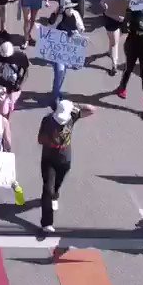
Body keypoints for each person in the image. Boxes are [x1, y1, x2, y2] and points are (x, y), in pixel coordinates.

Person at [37, 99, 97, 233]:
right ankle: (47, 222)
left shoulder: (73, 116)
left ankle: (55, 194)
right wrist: (52, 140)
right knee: (47, 188)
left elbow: (92, 110)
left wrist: (75, 105)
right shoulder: (47, 120)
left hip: (65, 160)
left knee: (56, 185)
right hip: (49, 159)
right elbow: (40, 139)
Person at [115, 7, 143, 119]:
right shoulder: (132, 10)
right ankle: (122, 87)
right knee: (129, 68)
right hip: (132, 45)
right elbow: (125, 28)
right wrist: (127, 20)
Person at [0, 42, 27, 118]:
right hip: (1, 86)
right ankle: (4, 122)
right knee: (3, 108)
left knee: (11, 105)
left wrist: (20, 82)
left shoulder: (20, 56)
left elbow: (26, 71)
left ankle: (6, 121)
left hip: (14, 87)